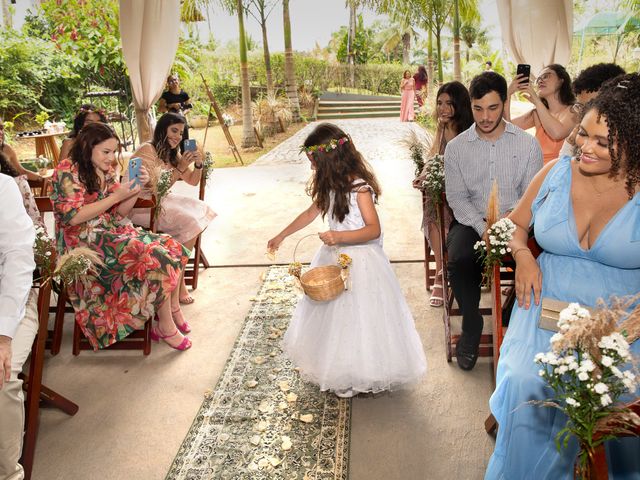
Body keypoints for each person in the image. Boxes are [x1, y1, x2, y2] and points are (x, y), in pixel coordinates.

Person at [486, 73, 640, 480]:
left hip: (623, 322)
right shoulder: (555, 173)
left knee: (621, 398)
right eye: (583, 135)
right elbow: (517, 227)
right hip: (548, 306)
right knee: (526, 381)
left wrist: (628, 326)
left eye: (603, 142)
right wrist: (524, 257)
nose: (586, 148)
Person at [267, 123, 427, 398]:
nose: (311, 167)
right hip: (333, 258)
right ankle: (338, 367)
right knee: (334, 318)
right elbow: (309, 213)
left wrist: (339, 237)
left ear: (329, 159)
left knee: (362, 318)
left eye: (313, 161)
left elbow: (373, 229)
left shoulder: (359, 188)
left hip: (361, 261)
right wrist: (281, 235)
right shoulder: (328, 184)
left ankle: (363, 372)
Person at [51, 122, 192, 351]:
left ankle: (170, 313)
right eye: (106, 152)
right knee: (153, 256)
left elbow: (118, 214)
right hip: (81, 242)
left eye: (114, 151)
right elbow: (72, 218)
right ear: (88, 147)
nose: (111, 157)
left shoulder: (104, 170)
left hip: (107, 232)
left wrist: (135, 189)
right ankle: (165, 325)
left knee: (171, 246)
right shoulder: (66, 171)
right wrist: (117, 196)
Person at [445, 71, 543, 371]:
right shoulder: (457, 148)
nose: (485, 117)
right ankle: (472, 325)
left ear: (504, 103)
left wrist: (509, 226)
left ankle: (515, 325)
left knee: (543, 262)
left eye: (493, 108)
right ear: (470, 105)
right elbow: (458, 198)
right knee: (460, 258)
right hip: (472, 220)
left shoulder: (527, 145)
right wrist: (482, 226)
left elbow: (532, 196)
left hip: (519, 222)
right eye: (478, 109)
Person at [127, 113, 216, 305]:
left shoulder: (172, 152)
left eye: (181, 132)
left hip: (161, 200)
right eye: (174, 130)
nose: (177, 136)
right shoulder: (147, 149)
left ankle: (176, 272)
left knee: (201, 211)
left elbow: (192, 181)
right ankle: (179, 281)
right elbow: (152, 187)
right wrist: (181, 167)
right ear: (163, 129)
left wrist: (198, 164)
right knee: (191, 222)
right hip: (142, 205)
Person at [413, 81, 473, 307]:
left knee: (439, 206)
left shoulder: (469, 130)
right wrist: (424, 173)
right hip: (444, 193)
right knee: (432, 208)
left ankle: (446, 270)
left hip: (467, 195)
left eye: (449, 103)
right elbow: (435, 156)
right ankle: (441, 272)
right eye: (439, 103)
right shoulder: (442, 126)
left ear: (460, 104)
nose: (443, 108)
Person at [0, 172, 36, 480]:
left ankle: (9, 474)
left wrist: (3, 337)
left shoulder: (3, 187)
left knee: (2, 376)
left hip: (12, 302)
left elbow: (19, 260)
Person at [505, 63, 578, 164]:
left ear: (561, 81)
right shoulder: (537, 113)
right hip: (534, 167)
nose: (540, 80)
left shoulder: (573, 111)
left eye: (546, 76)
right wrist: (508, 94)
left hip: (557, 171)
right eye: (538, 78)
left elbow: (557, 133)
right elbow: (507, 129)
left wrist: (536, 100)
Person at [557, 63, 626, 159]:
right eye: (580, 106)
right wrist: (570, 143)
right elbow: (562, 168)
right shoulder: (580, 137)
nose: (582, 114)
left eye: (589, 107)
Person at [158, 74, 192, 152]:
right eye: (171, 81)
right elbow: (160, 109)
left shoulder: (184, 94)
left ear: (178, 81)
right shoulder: (166, 95)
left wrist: (183, 112)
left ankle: (187, 159)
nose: (174, 82)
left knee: (186, 142)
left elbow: (189, 108)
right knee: (171, 144)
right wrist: (171, 105)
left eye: (175, 79)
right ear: (168, 84)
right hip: (171, 123)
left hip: (182, 121)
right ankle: (172, 161)